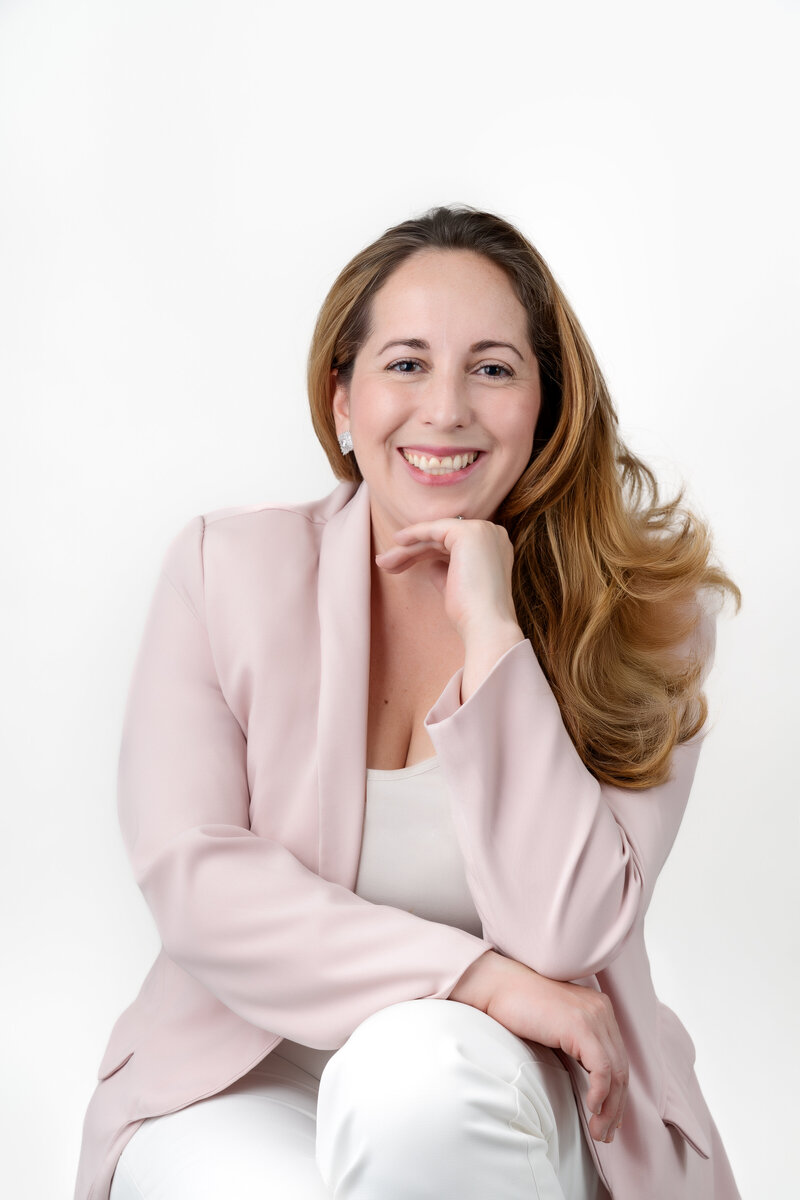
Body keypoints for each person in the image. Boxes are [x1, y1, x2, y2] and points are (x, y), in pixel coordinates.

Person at [74, 204, 742, 1200]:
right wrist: (480, 978)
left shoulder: (645, 618)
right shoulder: (225, 570)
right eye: (403, 364)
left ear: (545, 405)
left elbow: (565, 931)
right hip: (240, 1072)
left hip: (508, 1091)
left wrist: (491, 633)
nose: (443, 411)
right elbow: (199, 881)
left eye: (491, 367)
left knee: (414, 1079)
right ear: (340, 399)